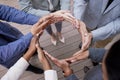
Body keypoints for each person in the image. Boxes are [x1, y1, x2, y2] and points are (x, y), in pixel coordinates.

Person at [0, 4, 77, 74]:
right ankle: (29, 67)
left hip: (9, 33)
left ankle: (33, 51)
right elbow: (2, 54)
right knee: (17, 62)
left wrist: (41, 20)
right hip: (8, 56)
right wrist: (31, 34)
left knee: (29, 45)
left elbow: (7, 12)